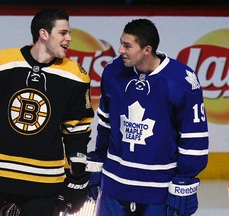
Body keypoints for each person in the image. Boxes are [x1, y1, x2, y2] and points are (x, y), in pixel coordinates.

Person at [0, 8, 94, 216]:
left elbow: (77, 131)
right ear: (44, 34)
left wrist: (78, 177)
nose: (69, 39)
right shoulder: (1, 62)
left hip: (44, 184)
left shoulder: (76, 75)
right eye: (63, 33)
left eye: (70, 33)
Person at [87, 18, 209, 216]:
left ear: (147, 49)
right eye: (121, 43)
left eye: (127, 46)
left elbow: (194, 135)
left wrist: (185, 178)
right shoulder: (112, 72)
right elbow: (105, 123)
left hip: (158, 189)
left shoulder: (181, 80)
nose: (120, 50)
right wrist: (98, 160)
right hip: (114, 185)